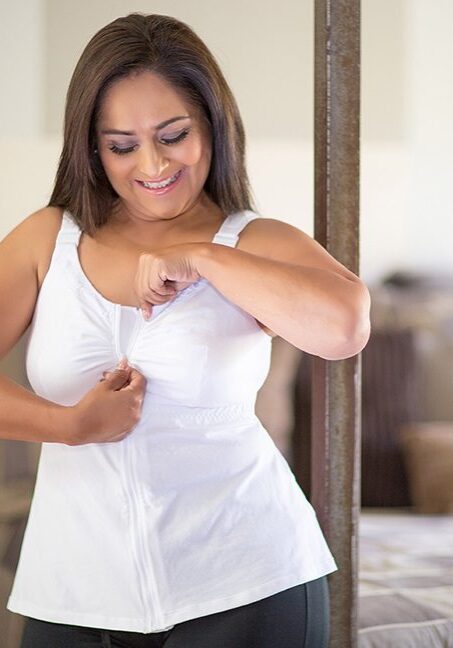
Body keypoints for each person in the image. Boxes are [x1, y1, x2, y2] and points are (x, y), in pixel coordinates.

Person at [1, 12, 370, 648]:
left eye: (173, 136)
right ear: (91, 144)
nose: (150, 165)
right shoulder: (47, 238)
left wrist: (205, 258)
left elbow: (345, 326)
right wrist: (68, 426)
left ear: (212, 126)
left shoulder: (255, 242)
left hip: (248, 583)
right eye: (121, 145)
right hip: (73, 591)